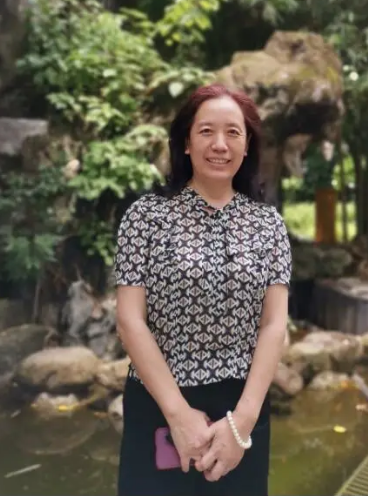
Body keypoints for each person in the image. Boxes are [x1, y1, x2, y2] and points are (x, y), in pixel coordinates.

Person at [113, 83, 292, 496]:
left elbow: (273, 325)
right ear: (186, 143)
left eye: (233, 133)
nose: (220, 144)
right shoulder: (146, 218)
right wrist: (178, 415)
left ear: (247, 147)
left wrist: (242, 422)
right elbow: (130, 320)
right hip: (158, 403)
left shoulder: (269, 226)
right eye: (206, 131)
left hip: (242, 408)